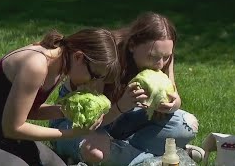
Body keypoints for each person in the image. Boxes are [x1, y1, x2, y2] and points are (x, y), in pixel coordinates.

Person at [0, 28, 121, 166]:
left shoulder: (59, 67)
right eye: (95, 75)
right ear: (79, 57)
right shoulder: (37, 65)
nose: (92, 82)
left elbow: (25, 110)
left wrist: (65, 112)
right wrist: (72, 133)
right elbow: (13, 128)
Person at [50, 12, 202, 166]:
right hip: (77, 122)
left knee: (186, 124)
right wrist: (121, 106)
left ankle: (123, 152)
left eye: (167, 57)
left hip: (122, 120)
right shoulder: (107, 59)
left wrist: (170, 104)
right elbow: (92, 120)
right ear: (132, 46)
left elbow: (175, 101)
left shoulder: (162, 53)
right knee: (96, 151)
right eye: (153, 56)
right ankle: (161, 157)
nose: (160, 64)